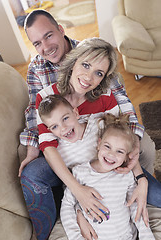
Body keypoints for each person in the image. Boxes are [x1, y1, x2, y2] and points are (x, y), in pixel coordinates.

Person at [18, 9, 156, 240]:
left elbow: (123, 116)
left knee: (146, 153)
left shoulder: (96, 61)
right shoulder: (43, 84)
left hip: (108, 159)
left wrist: (139, 178)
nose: (46, 46)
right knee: (32, 171)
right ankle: (43, 232)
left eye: (49, 36)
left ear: (61, 31)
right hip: (74, 162)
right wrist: (75, 190)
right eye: (37, 43)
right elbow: (37, 116)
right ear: (72, 65)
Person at [60, 113, 155, 240]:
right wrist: (76, 237)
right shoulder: (80, 172)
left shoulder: (126, 175)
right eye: (107, 146)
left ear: (128, 156)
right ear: (99, 144)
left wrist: (146, 235)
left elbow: (135, 207)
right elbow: (67, 205)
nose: (111, 154)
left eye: (119, 151)